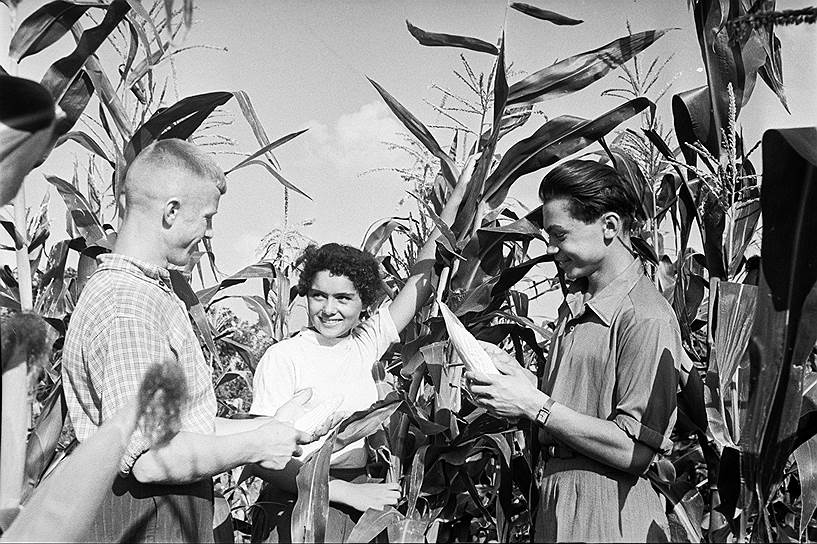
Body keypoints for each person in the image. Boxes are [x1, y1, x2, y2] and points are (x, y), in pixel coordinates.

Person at [61, 139, 312, 543]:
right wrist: (256, 445)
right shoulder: (129, 306)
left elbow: (185, 428)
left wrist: (270, 427)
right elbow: (151, 459)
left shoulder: (146, 295)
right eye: (207, 217)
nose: (210, 232)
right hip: (147, 517)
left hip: (161, 514)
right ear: (171, 211)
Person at [248, 163, 472, 543]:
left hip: (359, 501)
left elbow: (420, 279)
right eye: (318, 295)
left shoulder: (366, 343)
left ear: (364, 302)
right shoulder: (283, 357)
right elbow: (260, 458)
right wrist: (346, 493)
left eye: (343, 298)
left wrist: (457, 196)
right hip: (297, 503)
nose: (329, 309)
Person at [467, 159, 681, 542]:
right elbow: (578, 402)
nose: (551, 249)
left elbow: (635, 451)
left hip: (608, 513)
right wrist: (522, 382)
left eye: (559, 235)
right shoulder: (577, 307)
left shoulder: (645, 317)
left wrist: (532, 403)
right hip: (558, 501)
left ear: (609, 226)